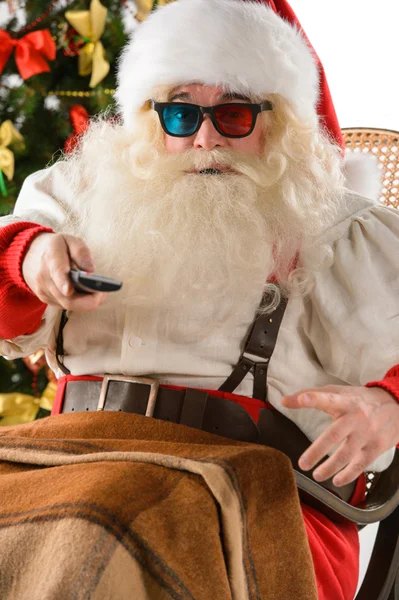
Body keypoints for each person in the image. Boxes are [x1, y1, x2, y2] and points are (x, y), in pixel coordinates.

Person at [0, 0, 398, 598]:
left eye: (233, 114)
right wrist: (28, 259)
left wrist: (389, 407)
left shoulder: (339, 228)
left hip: (256, 494)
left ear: (281, 121)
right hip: (65, 458)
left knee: (100, 529)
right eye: (180, 114)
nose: (205, 136)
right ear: (149, 117)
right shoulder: (84, 192)